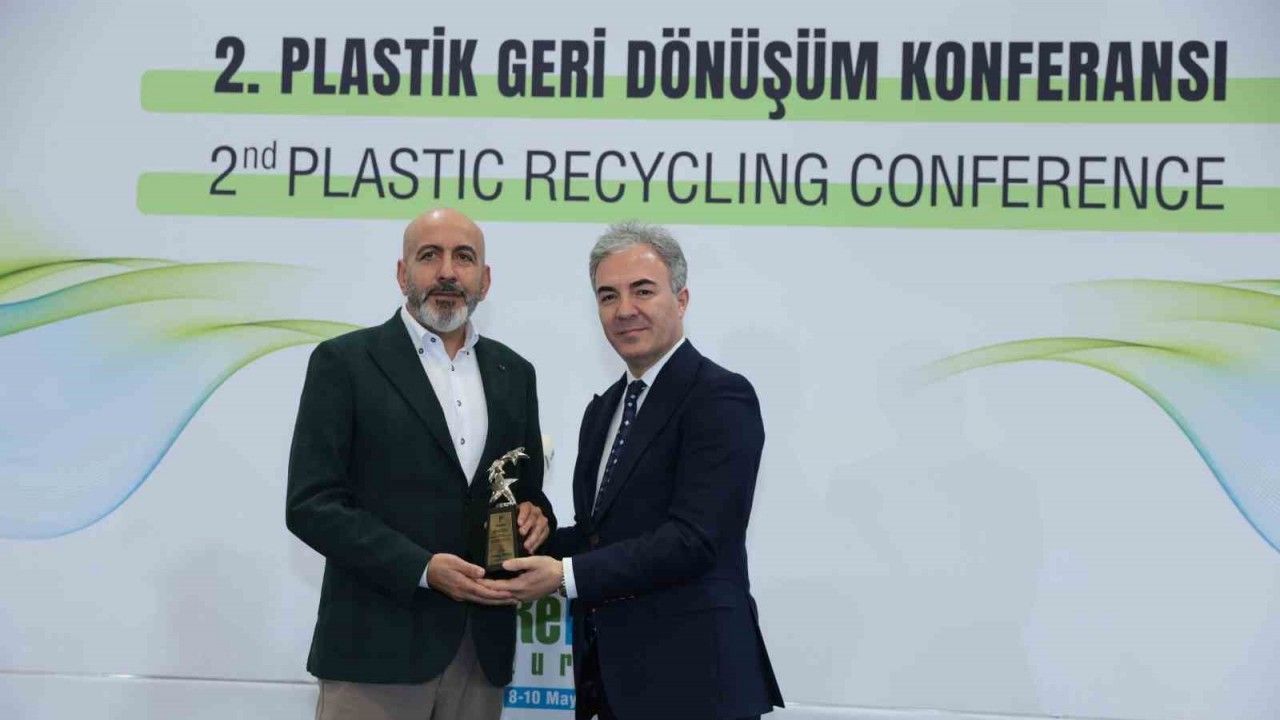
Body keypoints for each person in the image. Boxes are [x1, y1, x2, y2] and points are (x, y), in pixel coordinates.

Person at [492, 221, 784, 720]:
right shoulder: (603, 410)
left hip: (698, 685)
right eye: (608, 296)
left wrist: (563, 575)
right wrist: (531, 541)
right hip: (610, 684)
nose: (624, 309)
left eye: (642, 290)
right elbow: (601, 536)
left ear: (681, 299)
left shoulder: (720, 397)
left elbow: (695, 539)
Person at [286, 208, 554, 720]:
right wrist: (422, 569)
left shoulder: (515, 373)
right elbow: (311, 504)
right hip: (374, 654)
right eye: (429, 256)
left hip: (480, 655)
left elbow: (524, 492)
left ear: (485, 279)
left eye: (464, 257)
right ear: (402, 273)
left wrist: (538, 516)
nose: (447, 271)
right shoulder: (345, 363)